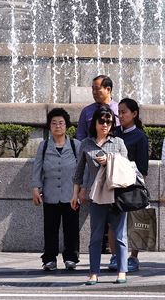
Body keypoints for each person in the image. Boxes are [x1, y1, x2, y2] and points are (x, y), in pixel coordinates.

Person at [71, 106, 129, 285]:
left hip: (117, 195)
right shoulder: (87, 144)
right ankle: (93, 273)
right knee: (95, 236)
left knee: (119, 235)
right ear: (95, 122)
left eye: (109, 122)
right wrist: (74, 195)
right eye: (102, 121)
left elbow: (127, 167)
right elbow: (79, 172)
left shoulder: (118, 142)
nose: (105, 125)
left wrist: (110, 159)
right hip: (96, 196)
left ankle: (122, 271)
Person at [32, 108, 81, 271]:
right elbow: (37, 168)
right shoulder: (44, 146)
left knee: (71, 228)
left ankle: (71, 258)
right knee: (50, 228)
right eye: (54, 123)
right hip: (50, 193)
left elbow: (82, 170)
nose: (57, 126)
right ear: (49, 126)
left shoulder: (76, 145)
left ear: (66, 126)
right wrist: (35, 187)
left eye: (61, 123)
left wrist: (81, 190)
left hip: (71, 194)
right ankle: (49, 259)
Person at [108, 98, 149, 272]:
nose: (120, 115)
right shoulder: (114, 132)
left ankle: (133, 257)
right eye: (119, 111)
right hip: (113, 184)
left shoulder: (140, 136)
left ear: (134, 114)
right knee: (112, 222)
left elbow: (143, 167)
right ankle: (115, 256)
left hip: (132, 184)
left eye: (124, 112)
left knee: (135, 222)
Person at [75, 75, 119, 140]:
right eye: (93, 89)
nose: (94, 92)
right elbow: (80, 136)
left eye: (97, 89)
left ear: (108, 89)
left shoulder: (119, 109)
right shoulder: (86, 111)